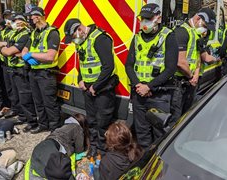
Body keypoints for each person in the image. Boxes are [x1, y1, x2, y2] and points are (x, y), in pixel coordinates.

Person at [63, 18, 119, 157]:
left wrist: (96, 86)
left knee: (103, 122)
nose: (74, 40)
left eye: (73, 36)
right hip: (88, 89)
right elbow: (82, 63)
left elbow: (108, 67)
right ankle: (93, 147)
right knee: (92, 121)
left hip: (103, 89)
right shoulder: (81, 41)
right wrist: (80, 79)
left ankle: (103, 151)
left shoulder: (100, 39)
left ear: (80, 30)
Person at [125, 3, 178, 148]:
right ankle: (144, 163)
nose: (144, 22)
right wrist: (138, 85)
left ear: (158, 18)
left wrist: (149, 86)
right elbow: (128, 65)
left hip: (159, 95)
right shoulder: (137, 38)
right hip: (139, 94)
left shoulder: (168, 36)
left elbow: (171, 68)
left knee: (160, 134)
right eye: (143, 18)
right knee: (142, 134)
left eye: (148, 18)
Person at [172, 8, 217, 122]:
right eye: (205, 26)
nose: (205, 31)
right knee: (175, 119)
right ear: (198, 19)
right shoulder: (181, 32)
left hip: (189, 82)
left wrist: (196, 74)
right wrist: (191, 77)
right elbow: (180, 62)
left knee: (185, 116)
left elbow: (197, 58)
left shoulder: (196, 35)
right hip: (177, 83)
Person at [22, 6, 61, 133]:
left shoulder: (52, 33)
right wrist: (26, 57)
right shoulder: (34, 33)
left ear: (38, 16)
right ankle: (43, 124)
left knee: (50, 103)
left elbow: (50, 56)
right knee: (38, 101)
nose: (30, 19)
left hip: (46, 74)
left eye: (31, 16)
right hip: (34, 72)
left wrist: (31, 55)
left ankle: (55, 129)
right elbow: (24, 51)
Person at [0, 13, 38, 132]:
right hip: (14, 68)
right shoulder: (14, 33)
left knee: (25, 96)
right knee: (16, 95)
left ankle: (32, 121)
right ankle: (22, 116)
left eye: (17, 20)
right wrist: (3, 48)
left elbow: (9, 51)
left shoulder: (25, 34)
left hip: (22, 70)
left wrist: (3, 49)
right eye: (14, 21)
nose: (15, 23)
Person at [27, 114, 89, 178]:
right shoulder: (77, 127)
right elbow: (79, 149)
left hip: (41, 147)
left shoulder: (64, 126)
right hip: (52, 148)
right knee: (61, 173)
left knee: (44, 170)